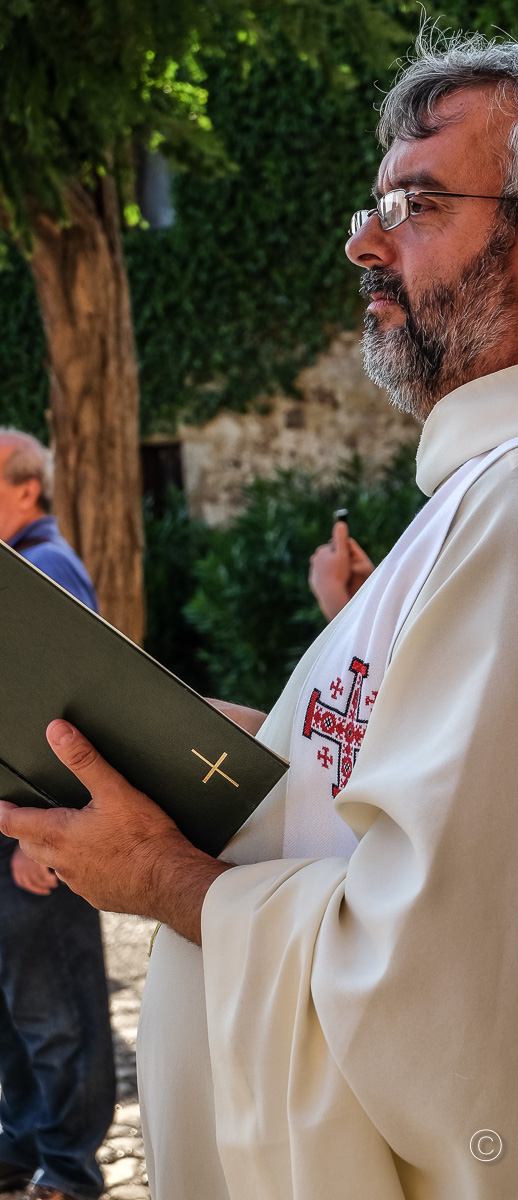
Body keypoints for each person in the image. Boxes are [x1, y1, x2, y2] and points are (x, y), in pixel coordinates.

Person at [2, 33, 518, 1200]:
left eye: (414, 205)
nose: (362, 244)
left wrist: (163, 879)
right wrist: (218, 753)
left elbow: (470, 983)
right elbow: (430, 800)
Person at [0, 432, 115, 1200]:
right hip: (12, 826)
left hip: (37, 831)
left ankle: (70, 1170)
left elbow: (66, 711)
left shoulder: (46, 568)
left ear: (25, 490)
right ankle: (23, 1142)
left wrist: (39, 835)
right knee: (15, 1007)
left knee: (56, 1009)